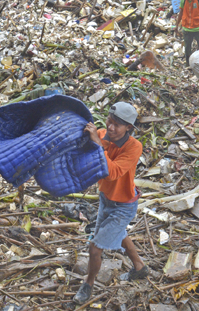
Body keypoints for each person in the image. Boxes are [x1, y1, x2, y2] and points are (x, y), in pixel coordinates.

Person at [74, 102, 148, 304]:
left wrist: (98, 144)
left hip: (123, 206)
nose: (111, 128)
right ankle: (140, 266)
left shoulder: (134, 147)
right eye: (109, 121)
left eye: (117, 125)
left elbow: (113, 172)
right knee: (120, 233)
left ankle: (87, 284)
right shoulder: (102, 134)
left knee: (95, 248)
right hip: (106, 199)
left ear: (129, 128)